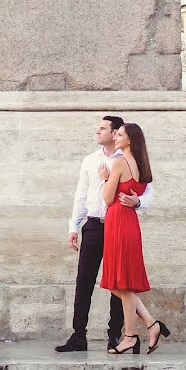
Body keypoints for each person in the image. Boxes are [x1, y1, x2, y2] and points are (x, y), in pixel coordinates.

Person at [55, 116, 154, 353]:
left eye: (104, 128)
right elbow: (81, 194)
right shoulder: (90, 160)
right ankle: (78, 336)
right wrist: (73, 226)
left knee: (117, 281)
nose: (98, 131)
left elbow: (149, 191)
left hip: (117, 225)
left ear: (116, 133)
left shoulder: (128, 160)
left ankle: (115, 336)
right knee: (84, 281)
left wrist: (138, 201)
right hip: (94, 225)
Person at [100, 123, 170, 355]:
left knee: (121, 284)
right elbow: (143, 192)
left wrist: (104, 179)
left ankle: (130, 336)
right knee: (120, 284)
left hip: (118, 221)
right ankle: (151, 324)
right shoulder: (142, 165)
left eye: (119, 135)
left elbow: (108, 198)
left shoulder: (119, 162)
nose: (116, 137)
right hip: (129, 222)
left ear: (129, 140)